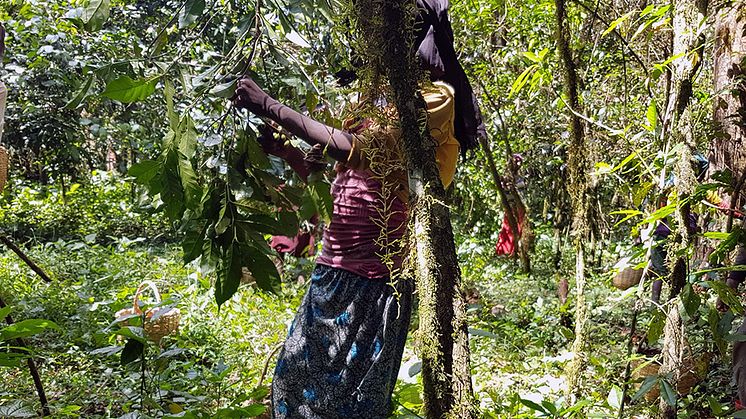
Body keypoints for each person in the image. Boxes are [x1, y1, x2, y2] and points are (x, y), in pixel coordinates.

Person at [232, 1, 484, 417]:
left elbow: (356, 149)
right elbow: (338, 171)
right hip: (333, 265)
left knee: (353, 401)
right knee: (292, 385)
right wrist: (283, 149)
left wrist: (270, 106)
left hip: (375, 277)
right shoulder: (370, 97)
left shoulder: (435, 98)